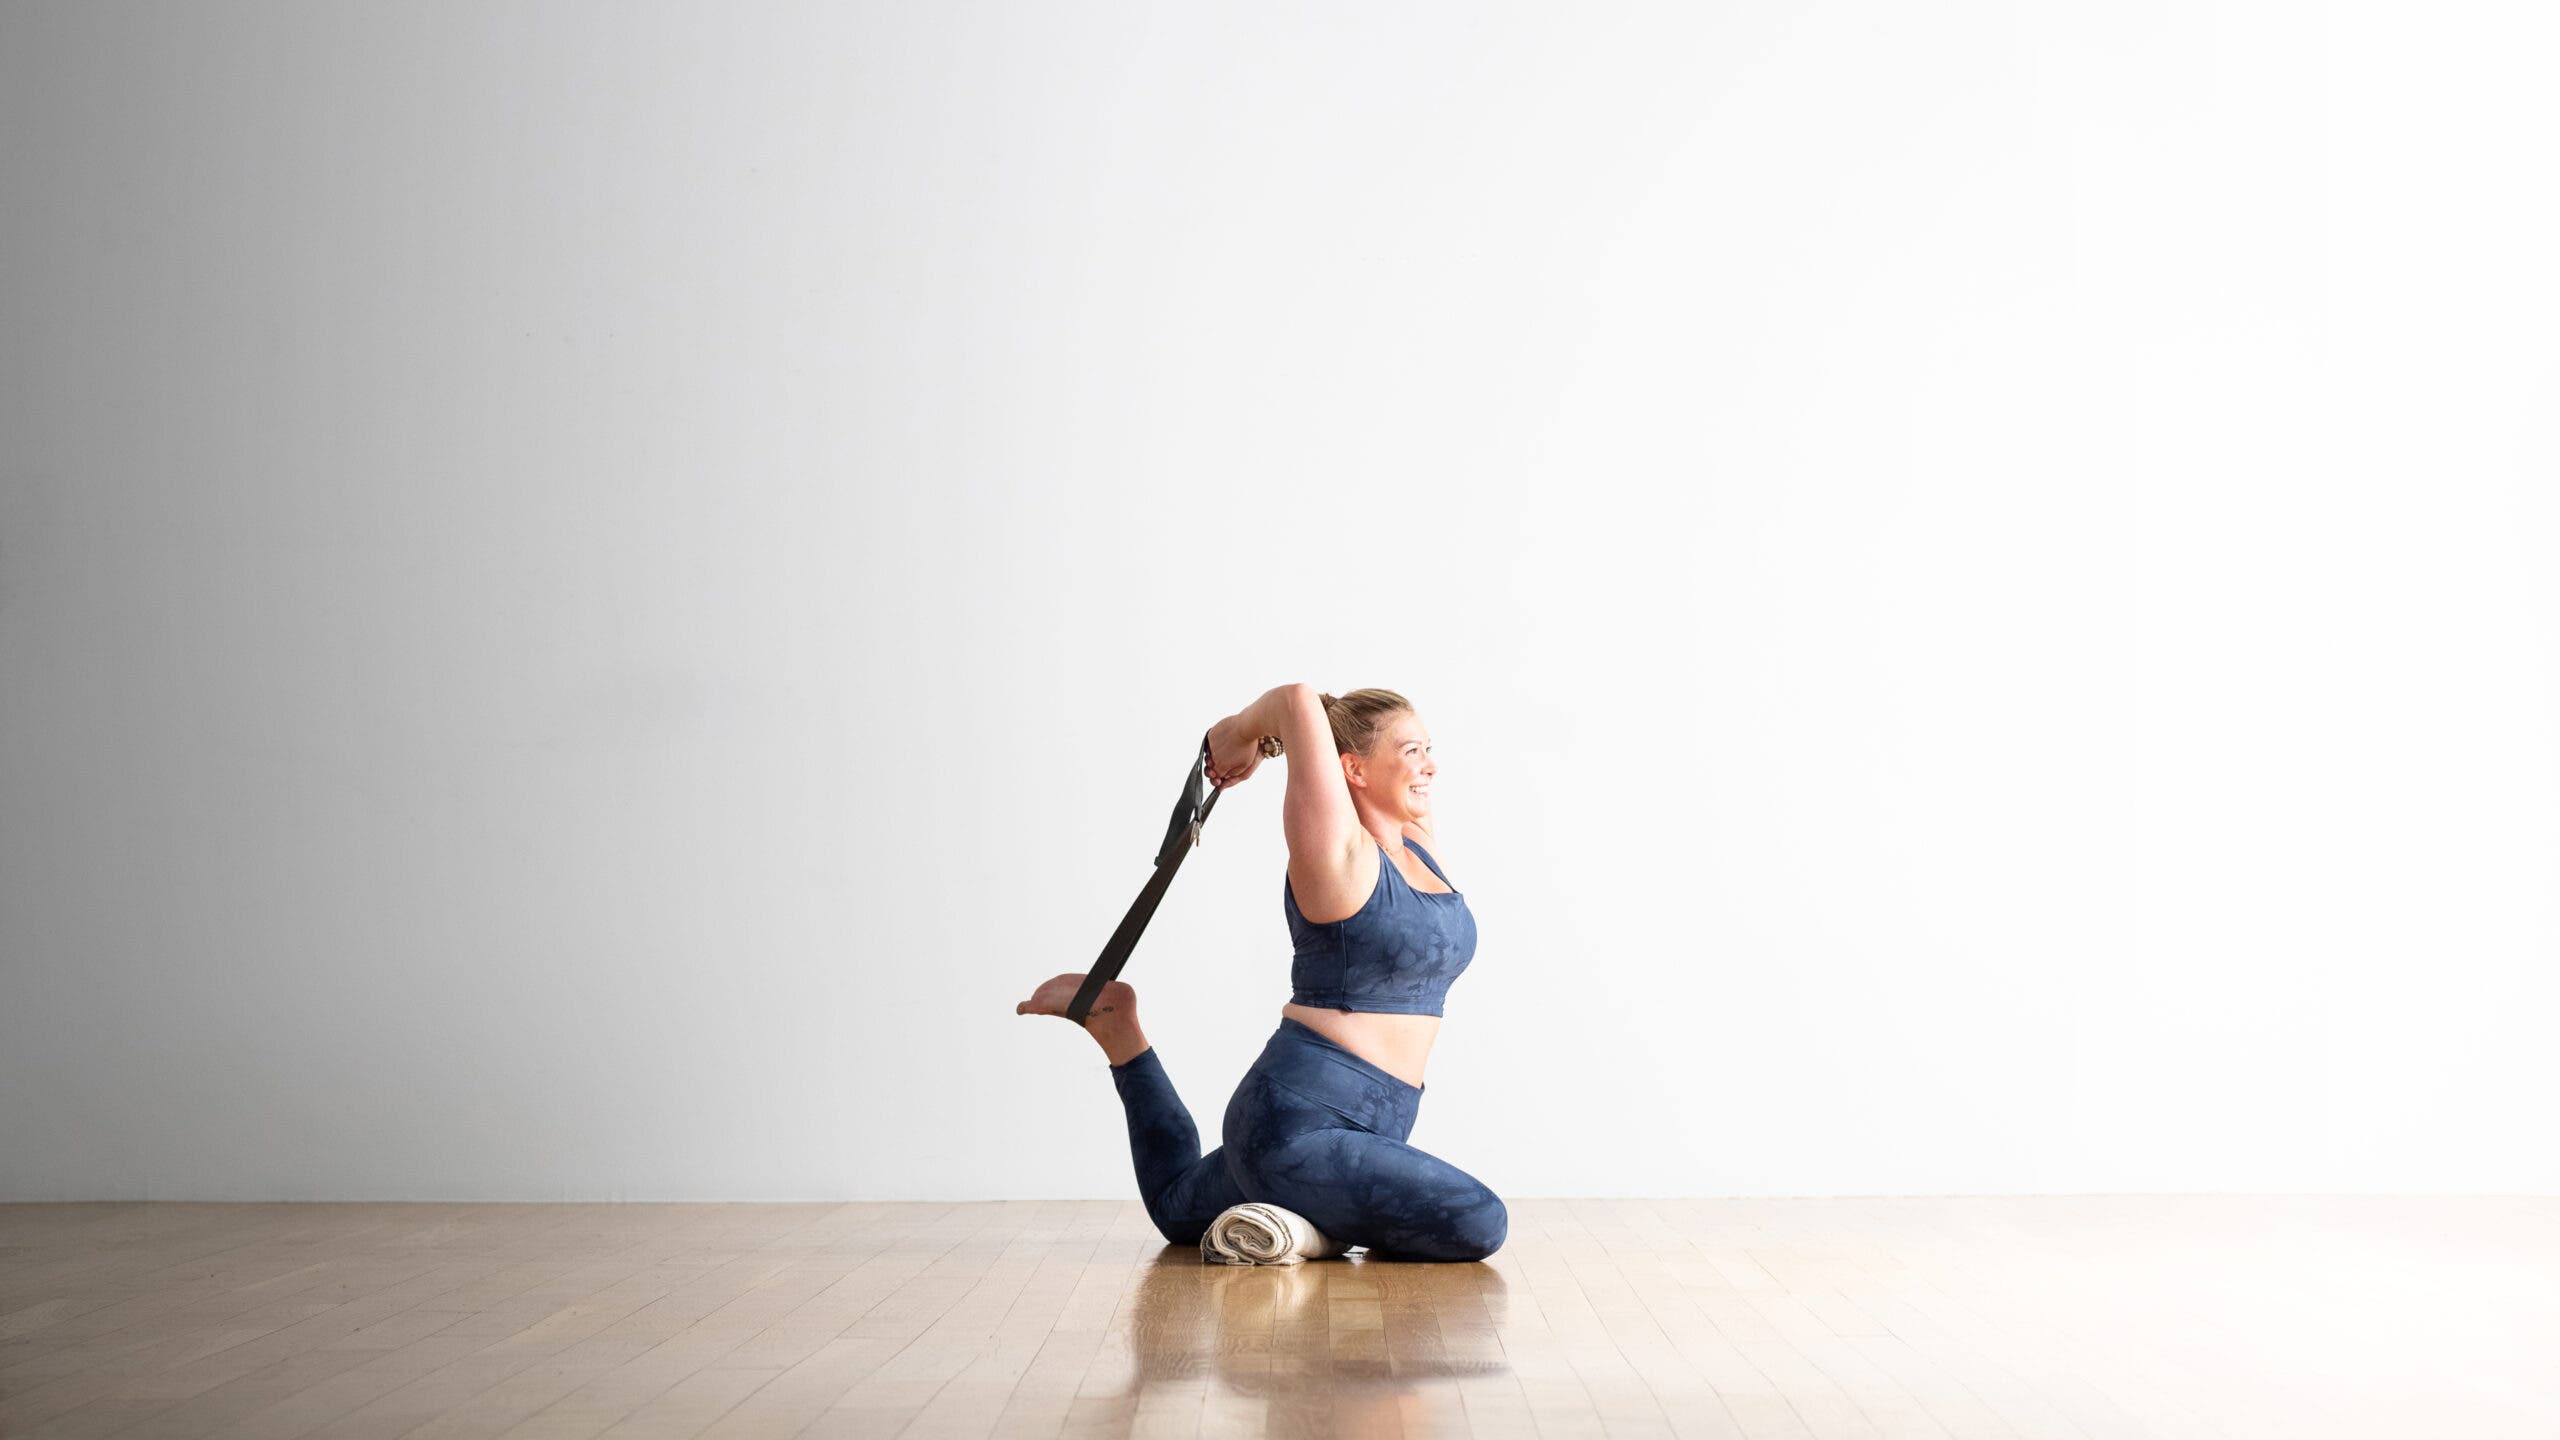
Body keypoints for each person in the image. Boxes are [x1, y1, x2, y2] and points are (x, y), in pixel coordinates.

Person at [1016, 683, 1508, 1262]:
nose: (1429, 766)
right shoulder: (1336, 856)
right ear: (1352, 768)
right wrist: (1237, 735)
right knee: (1480, 1221)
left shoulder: (1418, 846)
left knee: (1178, 1208)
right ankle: (1306, 1229)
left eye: (1428, 748)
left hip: (1369, 1124)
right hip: (1295, 1126)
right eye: (1410, 752)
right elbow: (1298, 700)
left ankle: (1120, 1032)